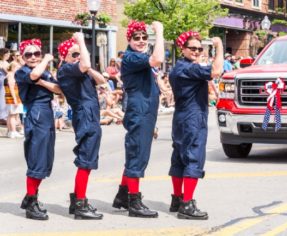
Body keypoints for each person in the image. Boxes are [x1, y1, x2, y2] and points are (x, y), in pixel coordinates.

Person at [168, 31, 223, 220]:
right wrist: (219, 46)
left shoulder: (178, 68)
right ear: (182, 49)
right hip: (193, 117)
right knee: (193, 158)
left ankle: (177, 198)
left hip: (181, 117)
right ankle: (187, 205)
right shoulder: (189, 68)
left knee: (178, 158)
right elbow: (216, 71)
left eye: (200, 48)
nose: (197, 51)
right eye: (193, 48)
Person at [112, 20, 164, 218]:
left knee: (137, 152)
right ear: (129, 40)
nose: (141, 41)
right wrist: (159, 32)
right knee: (137, 154)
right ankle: (134, 201)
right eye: (137, 38)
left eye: (144, 37)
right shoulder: (131, 57)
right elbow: (158, 58)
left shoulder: (138, 57)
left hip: (145, 112)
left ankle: (122, 195)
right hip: (139, 112)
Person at [57, 32, 106, 220]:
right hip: (85, 115)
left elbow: (101, 80)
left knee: (89, 159)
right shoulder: (67, 69)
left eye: (79, 53)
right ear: (65, 57)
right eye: (74, 54)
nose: (78, 57)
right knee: (86, 160)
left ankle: (78, 200)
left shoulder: (80, 70)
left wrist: (88, 69)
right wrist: (81, 43)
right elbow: (84, 63)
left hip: (90, 114)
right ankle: (80, 203)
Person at [15, 39, 62, 220]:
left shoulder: (45, 72)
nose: (33, 57)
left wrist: (43, 83)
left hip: (47, 112)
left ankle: (30, 196)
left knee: (46, 158)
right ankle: (32, 202)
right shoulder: (22, 72)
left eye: (37, 53)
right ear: (22, 57)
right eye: (29, 54)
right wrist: (46, 60)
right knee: (37, 158)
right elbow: (34, 75)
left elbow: (58, 89)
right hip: (36, 112)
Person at [4, 60, 24, 138]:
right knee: (13, 115)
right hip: (13, 97)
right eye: (18, 68)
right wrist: (15, 99)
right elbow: (12, 87)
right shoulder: (11, 75)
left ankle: (10, 131)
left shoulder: (8, 75)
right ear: (13, 67)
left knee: (10, 115)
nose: (19, 69)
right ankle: (13, 131)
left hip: (9, 97)